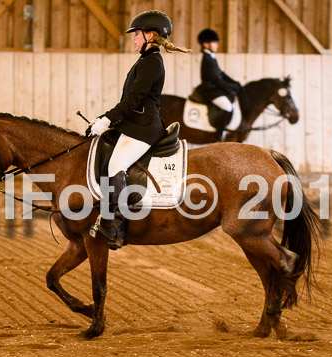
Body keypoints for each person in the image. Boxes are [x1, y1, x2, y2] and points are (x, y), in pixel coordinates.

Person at [89, 10, 190, 249]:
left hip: (144, 128)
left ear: (149, 36)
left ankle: (116, 227)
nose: (134, 39)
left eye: (136, 34)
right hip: (134, 124)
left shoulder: (152, 62)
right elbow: (129, 101)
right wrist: (105, 119)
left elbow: (134, 100)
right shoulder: (145, 60)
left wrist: (107, 120)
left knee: (116, 165)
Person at [194, 28, 243, 141]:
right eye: (214, 43)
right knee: (227, 107)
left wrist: (234, 83)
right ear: (206, 44)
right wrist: (231, 87)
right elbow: (216, 79)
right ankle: (219, 135)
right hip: (210, 90)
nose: (217, 45)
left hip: (214, 89)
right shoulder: (207, 59)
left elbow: (220, 73)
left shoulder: (211, 57)